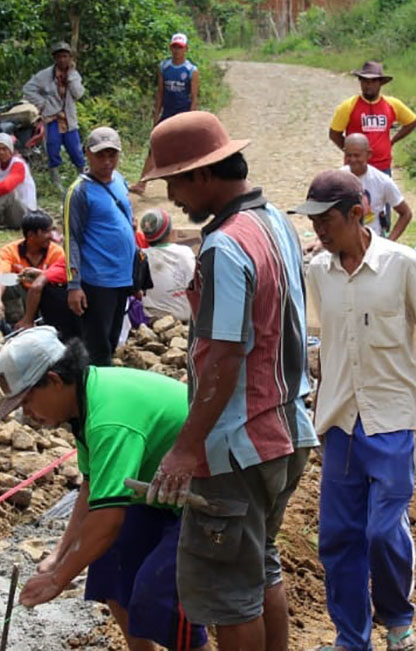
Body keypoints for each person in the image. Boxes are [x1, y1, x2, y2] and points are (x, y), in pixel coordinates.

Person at [141, 111, 319, 650]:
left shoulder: (224, 246)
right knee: (260, 567)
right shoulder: (276, 224)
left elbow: (223, 358)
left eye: (175, 181)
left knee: (226, 591)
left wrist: (185, 449)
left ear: (204, 174)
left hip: (238, 445)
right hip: (287, 431)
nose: (172, 197)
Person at [291, 169, 416, 651]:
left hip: (392, 419)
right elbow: (327, 341)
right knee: (339, 539)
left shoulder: (403, 266)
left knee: (383, 532)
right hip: (340, 421)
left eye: (326, 221)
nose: (318, 231)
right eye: (313, 221)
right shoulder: (318, 272)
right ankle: (350, 638)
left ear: (357, 214)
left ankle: (398, 622)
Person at [0, 329, 208, 650]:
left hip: (211, 491)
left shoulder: (107, 419)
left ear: (53, 380)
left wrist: (57, 579)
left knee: (157, 593)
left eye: (27, 400)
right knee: (109, 569)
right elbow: (93, 490)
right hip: (166, 492)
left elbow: (108, 520)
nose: (28, 414)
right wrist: (58, 556)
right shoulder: (84, 401)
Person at [62, 127, 137, 366]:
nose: (107, 161)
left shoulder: (120, 181)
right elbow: (71, 237)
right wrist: (74, 285)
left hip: (121, 278)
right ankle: (91, 398)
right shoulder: (79, 191)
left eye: (112, 155)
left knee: (112, 340)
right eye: (100, 155)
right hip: (97, 280)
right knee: (97, 348)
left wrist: (136, 277)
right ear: (87, 154)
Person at [0, 210, 80, 338]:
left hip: (44, 298)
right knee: (7, 281)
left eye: (51, 231)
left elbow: (61, 278)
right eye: (46, 232)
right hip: (23, 298)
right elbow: (0, 275)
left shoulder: (56, 252)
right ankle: (15, 325)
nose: (51, 236)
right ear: (31, 235)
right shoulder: (10, 250)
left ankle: (44, 323)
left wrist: (42, 274)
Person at [130, 33, 200, 196]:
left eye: (180, 48)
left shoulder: (191, 70)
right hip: (167, 113)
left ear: (186, 49)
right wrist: (156, 115)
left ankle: (187, 185)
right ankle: (142, 183)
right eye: (174, 47)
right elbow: (160, 93)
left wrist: (192, 118)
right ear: (171, 48)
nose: (177, 51)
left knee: (183, 150)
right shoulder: (164, 67)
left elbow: (194, 97)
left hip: (182, 115)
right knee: (154, 146)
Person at [328, 61, 416, 174]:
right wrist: (352, 153)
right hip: (355, 168)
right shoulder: (348, 106)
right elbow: (334, 134)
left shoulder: (392, 104)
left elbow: (412, 122)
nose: (368, 85)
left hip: (383, 167)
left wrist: (392, 141)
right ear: (360, 81)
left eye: (373, 81)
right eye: (364, 80)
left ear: (380, 83)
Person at [24, 41, 86, 192]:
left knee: (75, 150)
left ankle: (83, 180)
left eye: (65, 56)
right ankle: (56, 184)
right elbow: (28, 89)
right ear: (55, 58)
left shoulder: (74, 75)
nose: (62, 60)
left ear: (70, 57)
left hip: (69, 120)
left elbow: (78, 94)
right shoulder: (45, 75)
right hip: (52, 120)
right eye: (59, 56)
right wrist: (43, 104)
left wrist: (70, 77)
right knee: (52, 149)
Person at [341, 133, 412, 240]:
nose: (352, 159)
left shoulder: (382, 181)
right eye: (349, 155)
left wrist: (389, 243)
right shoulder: (338, 178)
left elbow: (406, 213)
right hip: (343, 240)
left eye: (357, 155)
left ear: (368, 154)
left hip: (371, 242)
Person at [139, 209, 196, 321]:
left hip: (158, 320)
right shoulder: (185, 251)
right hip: (189, 316)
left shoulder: (141, 256)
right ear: (170, 231)